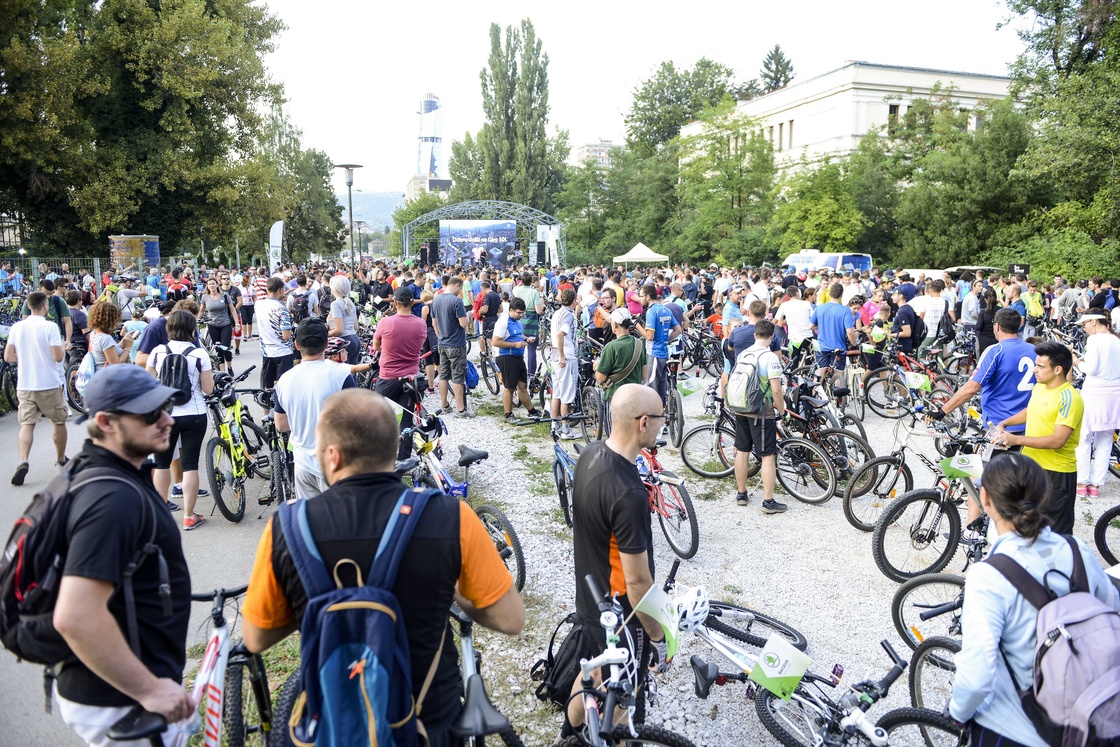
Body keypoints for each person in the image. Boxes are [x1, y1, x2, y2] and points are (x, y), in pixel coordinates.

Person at [242, 388, 524, 746]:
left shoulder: (287, 528)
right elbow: (510, 619)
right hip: (429, 723)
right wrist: (452, 587)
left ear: (332, 456)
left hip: (337, 722)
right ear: (394, 449)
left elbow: (255, 637)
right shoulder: (451, 517)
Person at [53, 365, 194, 746]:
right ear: (106, 422)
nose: (167, 419)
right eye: (150, 414)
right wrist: (149, 689)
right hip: (124, 700)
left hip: (120, 687)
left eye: (166, 407)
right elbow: (76, 616)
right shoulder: (111, 499)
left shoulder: (108, 472)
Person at [948, 453, 1120, 747]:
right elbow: (1112, 605)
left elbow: (977, 676)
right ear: (1044, 496)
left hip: (1016, 729)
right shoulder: (1075, 548)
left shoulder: (987, 576)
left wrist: (957, 712)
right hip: (1089, 713)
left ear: (985, 499)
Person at [567, 384, 669, 734]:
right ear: (643, 422)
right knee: (623, 696)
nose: (662, 425)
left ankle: (571, 730)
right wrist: (657, 635)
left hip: (590, 598)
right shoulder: (629, 494)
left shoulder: (590, 454)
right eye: (660, 419)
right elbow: (638, 582)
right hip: (622, 615)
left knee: (594, 670)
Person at [990, 341, 1083, 534]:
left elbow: (1058, 441)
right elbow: (1031, 411)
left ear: (1058, 369)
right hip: (1032, 469)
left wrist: (1016, 440)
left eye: (1040, 366)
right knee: (1029, 526)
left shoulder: (1070, 398)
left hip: (1056, 473)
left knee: (1057, 533)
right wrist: (1006, 423)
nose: (1034, 370)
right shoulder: (1040, 388)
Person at [273, 318, 358, 500]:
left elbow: (280, 425)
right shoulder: (341, 376)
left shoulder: (284, 380)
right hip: (335, 464)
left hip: (303, 463)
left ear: (296, 345)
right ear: (326, 344)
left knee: (311, 523)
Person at [145, 310, 214, 531]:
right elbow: (208, 389)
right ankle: (188, 516)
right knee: (190, 464)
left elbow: (148, 384)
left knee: (162, 463)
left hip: (164, 415)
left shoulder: (158, 351)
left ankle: (158, 515)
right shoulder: (198, 353)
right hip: (194, 413)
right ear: (191, 329)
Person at [5, 291, 68, 485]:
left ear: (28, 306)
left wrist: (25, 358)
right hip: (48, 382)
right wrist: (63, 348)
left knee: (27, 424)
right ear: (45, 306)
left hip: (25, 384)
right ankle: (60, 459)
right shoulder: (50, 327)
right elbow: (57, 357)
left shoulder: (17, 327)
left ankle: (23, 461)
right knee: (58, 421)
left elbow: (8, 356)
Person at [730, 320, 788, 514]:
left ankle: (741, 494)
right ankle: (768, 501)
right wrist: (781, 410)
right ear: (772, 338)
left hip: (740, 406)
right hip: (761, 411)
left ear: (755, 335)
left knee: (742, 450)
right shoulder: (770, 357)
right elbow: (777, 390)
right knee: (767, 455)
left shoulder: (744, 353)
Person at [373, 287, 428, 460]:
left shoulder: (386, 322)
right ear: (412, 302)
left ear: (395, 302)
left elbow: (376, 347)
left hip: (388, 376)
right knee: (405, 421)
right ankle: (403, 461)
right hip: (411, 378)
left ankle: (381, 458)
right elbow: (420, 344)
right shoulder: (421, 323)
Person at [1072, 313, 1120, 498]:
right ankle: (1096, 486)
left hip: (1095, 392)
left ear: (1093, 321)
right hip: (1114, 394)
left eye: (1085, 324)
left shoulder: (1094, 340)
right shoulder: (1116, 340)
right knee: (1106, 439)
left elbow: (1090, 368)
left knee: (1084, 437)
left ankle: (1082, 482)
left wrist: (1077, 361)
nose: (1084, 328)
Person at [594, 308, 647, 437]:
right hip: (635, 397)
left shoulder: (611, 347)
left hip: (615, 397)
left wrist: (596, 366)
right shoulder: (639, 344)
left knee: (615, 437)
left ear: (615, 324)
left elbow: (600, 379)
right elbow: (644, 375)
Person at [430, 275, 473, 418]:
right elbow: (463, 324)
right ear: (457, 286)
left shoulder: (436, 299)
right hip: (456, 344)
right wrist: (468, 315)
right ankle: (460, 409)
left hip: (442, 343)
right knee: (458, 376)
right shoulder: (456, 301)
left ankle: (444, 405)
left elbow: (434, 323)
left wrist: (440, 336)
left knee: (443, 375)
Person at [492, 296, 541, 420]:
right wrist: (515, 344)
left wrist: (525, 338)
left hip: (517, 356)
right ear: (511, 310)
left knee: (522, 385)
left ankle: (532, 411)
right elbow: (495, 342)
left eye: (522, 313)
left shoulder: (517, 320)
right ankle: (508, 414)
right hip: (506, 356)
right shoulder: (503, 321)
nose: (521, 315)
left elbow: (518, 334)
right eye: (519, 313)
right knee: (509, 387)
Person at [639, 284, 680, 413]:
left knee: (651, 388)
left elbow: (649, 336)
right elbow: (678, 329)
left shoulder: (651, 311)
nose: (640, 299)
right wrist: (666, 340)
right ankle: (663, 417)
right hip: (664, 352)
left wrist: (637, 326)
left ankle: (654, 419)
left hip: (654, 353)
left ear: (648, 296)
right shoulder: (665, 309)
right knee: (662, 387)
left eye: (641, 296)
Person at [550, 288, 580, 440]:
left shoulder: (557, 313)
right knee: (567, 395)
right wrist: (563, 355)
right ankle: (566, 430)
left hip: (554, 354)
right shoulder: (569, 315)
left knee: (557, 393)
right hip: (566, 357)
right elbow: (560, 334)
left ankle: (554, 426)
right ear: (574, 300)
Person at [810, 283, 857, 375]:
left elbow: (811, 326)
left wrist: (824, 326)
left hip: (822, 346)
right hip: (839, 348)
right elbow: (850, 332)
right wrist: (854, 343)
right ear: (842, 295)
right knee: (838, 373)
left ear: (830, 294)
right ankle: (837, 387)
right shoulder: (845, 310)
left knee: (820, 372)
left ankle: (816, 388)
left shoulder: (819, 308)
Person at [256, 277, 294, 391]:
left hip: (267, 352)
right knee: (284, 387)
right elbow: (286, 335)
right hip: (283, 352)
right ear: (281, 290)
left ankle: (266, 408)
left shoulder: (258, 305)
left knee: (267, 388)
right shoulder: (281, 309)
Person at [201, 277, 238, 373]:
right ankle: (222, 371)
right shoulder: (205, 297)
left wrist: (237, 323)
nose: (211, 286)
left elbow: (233, 310)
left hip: (225, 324)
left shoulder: (224, 295)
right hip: (212, 325)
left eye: (213, 284)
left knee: (225, 347)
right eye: (209, 284)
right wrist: (195, 320)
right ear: (207, 286)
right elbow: (201, 311)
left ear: (217, 285)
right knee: (218, 349)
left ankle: (229, 366)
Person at [512, 271, 544, 373]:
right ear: (531, 281)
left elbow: (517, 286)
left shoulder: (516, 290)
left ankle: (518, 370)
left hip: (519, 320)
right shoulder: (534, 292)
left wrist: (522, 282)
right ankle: (531, 373)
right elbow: (538, 310)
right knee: (531, 350)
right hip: (531, 321)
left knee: (518, 348)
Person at [237, 273, 255, 340]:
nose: (250, 280)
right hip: (243, 305)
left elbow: (254, 296)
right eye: (249, 279)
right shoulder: (240, 288)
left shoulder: (251, 287)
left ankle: (250, 335)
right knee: (244, 320)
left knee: (250, 320)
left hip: (250, 304)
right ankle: (245, 335)